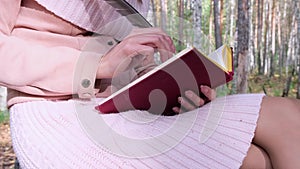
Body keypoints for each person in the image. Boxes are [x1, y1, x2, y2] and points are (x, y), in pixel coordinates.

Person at [0, 0, 299, 168]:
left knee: (287, 116)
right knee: (253, 161)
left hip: (123, 111)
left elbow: (127, 67)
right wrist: (98, 65)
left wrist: (173, 89)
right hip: (55, 117)